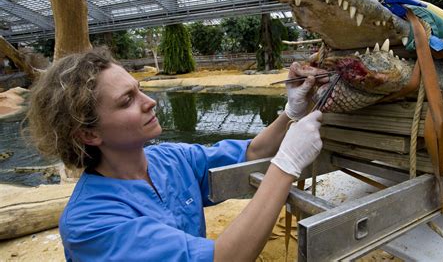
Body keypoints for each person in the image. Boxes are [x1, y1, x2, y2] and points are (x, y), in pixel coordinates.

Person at [26, 50, 328, 261]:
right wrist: (286, 165)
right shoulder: (91, 224)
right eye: (127, 100)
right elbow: (224, 259)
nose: (150, 101)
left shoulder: (170, 159)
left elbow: (252, 152)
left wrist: (290, 112)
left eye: (140, 89)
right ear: (89, 134)